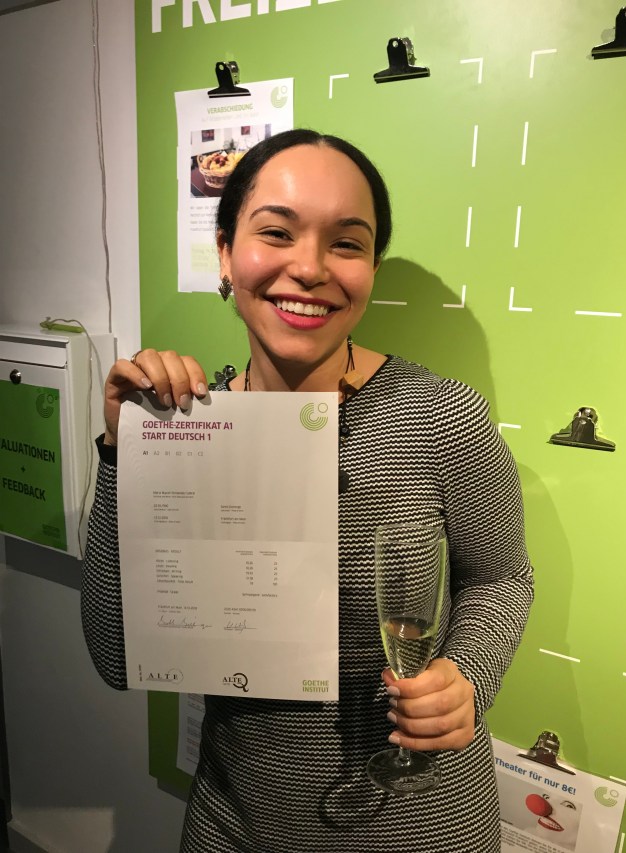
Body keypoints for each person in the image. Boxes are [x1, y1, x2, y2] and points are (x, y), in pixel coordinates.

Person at [81, 129, 534, 853]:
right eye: (276, 232)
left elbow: (503, 575)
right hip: (235, 818)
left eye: (347, 243)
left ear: (370, 269)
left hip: (421, 826)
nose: (310, 266)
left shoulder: (441, 414)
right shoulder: (189, 429)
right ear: (226, 252)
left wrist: (467, 675)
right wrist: (118, 451)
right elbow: (114, 653)